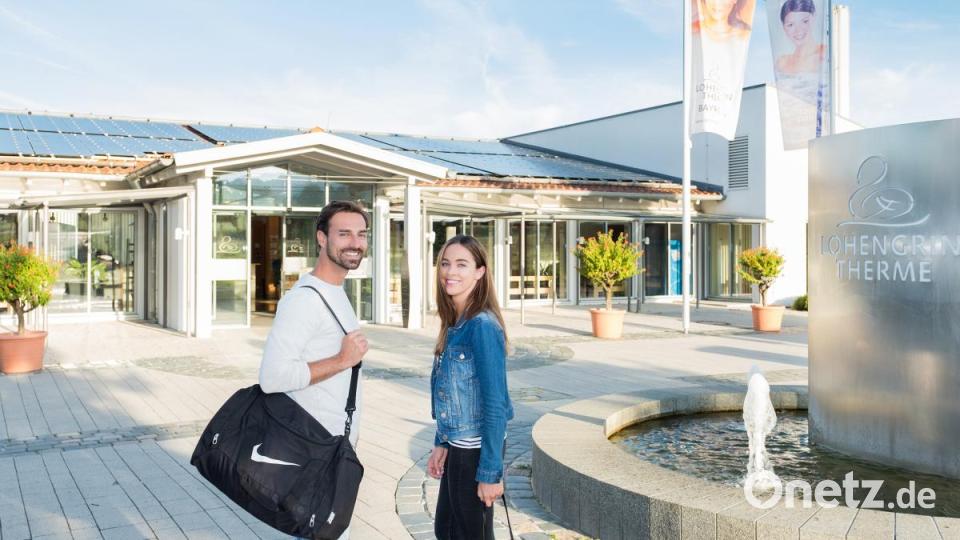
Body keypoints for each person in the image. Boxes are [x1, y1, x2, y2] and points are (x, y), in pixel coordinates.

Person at [258, 200, 370, 540]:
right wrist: (341, 361)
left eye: (361, 234)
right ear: (321, 238)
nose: (355, 242)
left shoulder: (337, 291)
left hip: (332, 451)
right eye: (344, 233)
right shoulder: (304, 300)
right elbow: (272, 378)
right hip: (309, 452)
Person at [427, 235, 513, 540]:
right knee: (448, 530)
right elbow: (451, 396)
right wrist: (442, 441)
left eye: (462, 264)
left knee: (468, 534)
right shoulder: (456, 322)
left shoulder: (482, 326)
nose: (451, 272)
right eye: (446, 264)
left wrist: (491, 473)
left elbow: (495, 404)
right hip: (460, 445)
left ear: (480, 271)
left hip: (476, 450)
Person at [775, 0, 825, 75]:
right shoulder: (782, 63)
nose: (798, 30)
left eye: (804, 21)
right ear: (783, 27)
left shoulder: (825, 53)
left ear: (814, 18)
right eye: (790, 25)